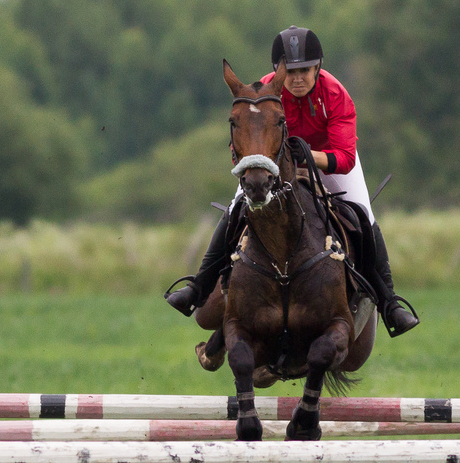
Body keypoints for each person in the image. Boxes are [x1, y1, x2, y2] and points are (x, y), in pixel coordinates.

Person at [166, 25, 419, 337]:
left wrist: (308, 156)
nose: (298, 79)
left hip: (331, 163)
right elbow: (242, 137)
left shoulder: (336, 95)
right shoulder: (265, 93)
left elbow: (344, 157)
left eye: (306, 71)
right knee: (234, 209)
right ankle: (198, 287)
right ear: (279, 71)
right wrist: (247, 160)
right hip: (274, 166)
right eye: (292, 72)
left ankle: (390, 303)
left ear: (318, 68)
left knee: (363, 215)